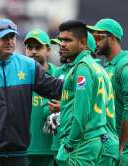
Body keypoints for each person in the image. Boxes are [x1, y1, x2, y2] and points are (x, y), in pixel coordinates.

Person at [0, 18, 63, 166]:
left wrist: (78, 82)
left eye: (12, 37)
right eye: (4, 37)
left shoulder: (28, 66)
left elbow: (55, 88)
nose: (10, 41)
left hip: (18, 153)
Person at [56, 20, 112, 166]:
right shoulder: (96, 66)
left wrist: (69, 144)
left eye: (68, 40)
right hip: (92, 139)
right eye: (61, 40)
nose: (62, 44)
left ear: (82, 43)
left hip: (81, 143)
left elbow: (81, 112)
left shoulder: (82, 68)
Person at [88, 18, 124, 165]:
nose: (95, 42)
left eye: (99, 37)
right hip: (108, 144)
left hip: (122, 148)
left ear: (113, 38)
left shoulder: (124, 65)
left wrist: (122, 144)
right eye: (93, 37)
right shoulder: (105, 68)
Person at [24, 29, 56, 166]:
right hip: (23, 150)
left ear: (48, 50)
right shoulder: (18, 77)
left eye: (38, 47)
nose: (33, 52)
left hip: (52, 151)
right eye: (29, 47)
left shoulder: (59, 75)